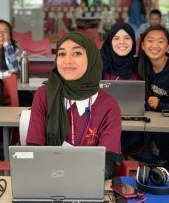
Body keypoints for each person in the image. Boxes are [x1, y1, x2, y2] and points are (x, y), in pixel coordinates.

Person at [26, 32, 122, 179]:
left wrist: (77, 177)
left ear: (91, 59)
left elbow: (108, 162)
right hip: (49, 178)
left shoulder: (109, 105)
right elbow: (34, 149)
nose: (67, 60)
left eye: (77, 53)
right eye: (62, 54)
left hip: (90, 180)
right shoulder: (44, 94)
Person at [137, 25, 169, 169]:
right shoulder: (142, 65)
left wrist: (161, 106)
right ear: (143, 46)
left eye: (160, 41)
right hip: (155, 123)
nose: (155, 45)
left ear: (168, 47)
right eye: (150, 41)